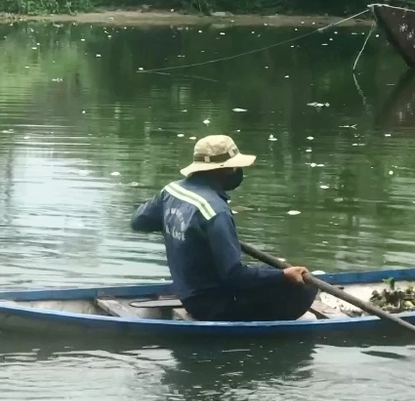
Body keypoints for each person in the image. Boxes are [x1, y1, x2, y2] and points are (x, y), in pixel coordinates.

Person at [130, 134, 318, 321]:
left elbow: (138, 221)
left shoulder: (172, 190)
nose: (238, 171)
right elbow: (234, 276)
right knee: (306, 288)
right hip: (211, 305)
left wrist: (181, 224)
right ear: (222, 170)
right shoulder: (216, 212)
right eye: (235, 167)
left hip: (188, 292)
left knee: (269, 269)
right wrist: (284, 275)